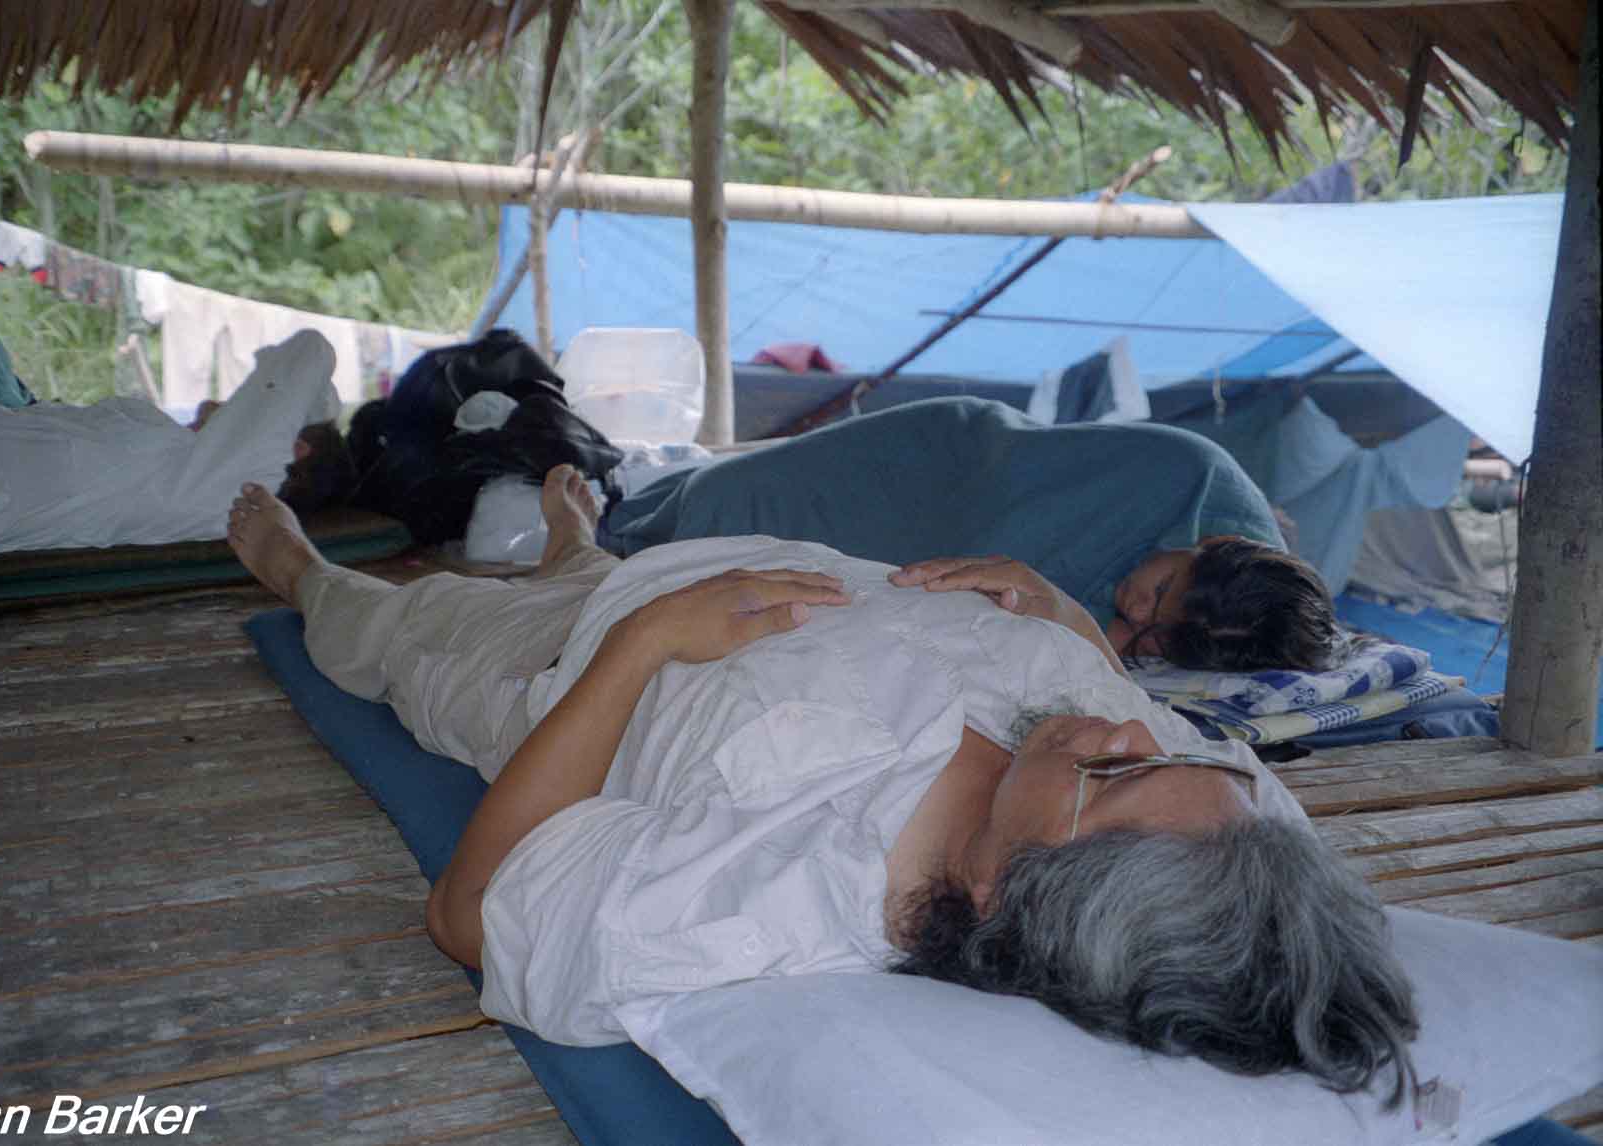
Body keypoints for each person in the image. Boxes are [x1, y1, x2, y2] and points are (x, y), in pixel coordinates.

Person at [227, 462, 1420, 1106]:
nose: (1126, 727)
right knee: (594, 567)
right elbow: (1189, 774)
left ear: (1007, 890)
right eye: (1169, 749)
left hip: (565, 668)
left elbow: (467, 917)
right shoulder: (1220, 829)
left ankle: (304, 569)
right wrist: (1062, 619)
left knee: (397, 632)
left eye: (1114, 776)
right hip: (748, 572)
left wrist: (638, 651)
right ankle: (578, 549)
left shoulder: (765, 896)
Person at [605, 396, 1345, 672]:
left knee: (747, 569)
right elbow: (1012, 513)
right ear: (1206, 543)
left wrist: (1115, 634)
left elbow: (1090, 640)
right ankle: (627, 520)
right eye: (1157, 590)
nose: (1134, 609)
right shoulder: (1183, 470)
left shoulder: (1237, 628)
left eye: (1154, 635)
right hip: (948, 463)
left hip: (927, 537)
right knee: (730, 496)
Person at [0, 328, 354, 590]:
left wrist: (316, 416)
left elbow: (310, 350)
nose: (243, 396)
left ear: (291, 446)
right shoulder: (176, 447)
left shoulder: (223, 496)